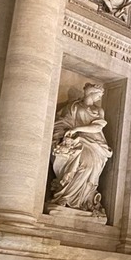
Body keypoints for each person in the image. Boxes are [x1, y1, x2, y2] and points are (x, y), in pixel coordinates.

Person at [49, 83, 113, 217]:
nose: (100, 97)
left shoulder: (99, 110)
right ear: (91, 93)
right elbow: (62, 122)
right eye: (99, 94)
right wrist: (68, 135)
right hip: (78, 141)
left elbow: (97, 127)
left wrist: (77, 129)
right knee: (83, 164)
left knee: (92, 166)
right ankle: (66, 197)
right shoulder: (73, 107)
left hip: (95, 143)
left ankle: (84, 200)